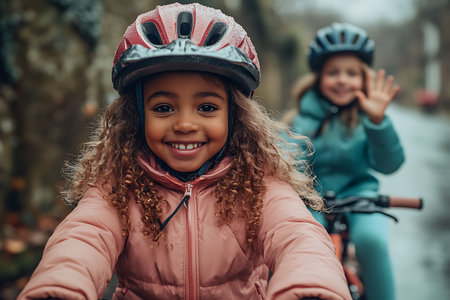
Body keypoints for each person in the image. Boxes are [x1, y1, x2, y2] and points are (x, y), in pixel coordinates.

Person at [18, 4, 351, 300]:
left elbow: (298, 236)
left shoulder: (259, 184)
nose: (185, 124)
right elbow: (83, 240)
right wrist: (62, 286)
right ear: (137, 116)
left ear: (235, 116)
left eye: (206, 107)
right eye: (164, 108)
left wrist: (310, 285)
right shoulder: (118, 187)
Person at [282, 23, 405, 300]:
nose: (342, 80)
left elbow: (389, 164)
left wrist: (378, 123)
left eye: (351, 73)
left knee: (372, 241)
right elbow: (288, 164)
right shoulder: (299, 119)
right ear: (318, 77)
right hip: (312, 198)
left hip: (360, 196)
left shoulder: (367, 119)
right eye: (333, 72)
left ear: (364, 79)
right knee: (302, 243)